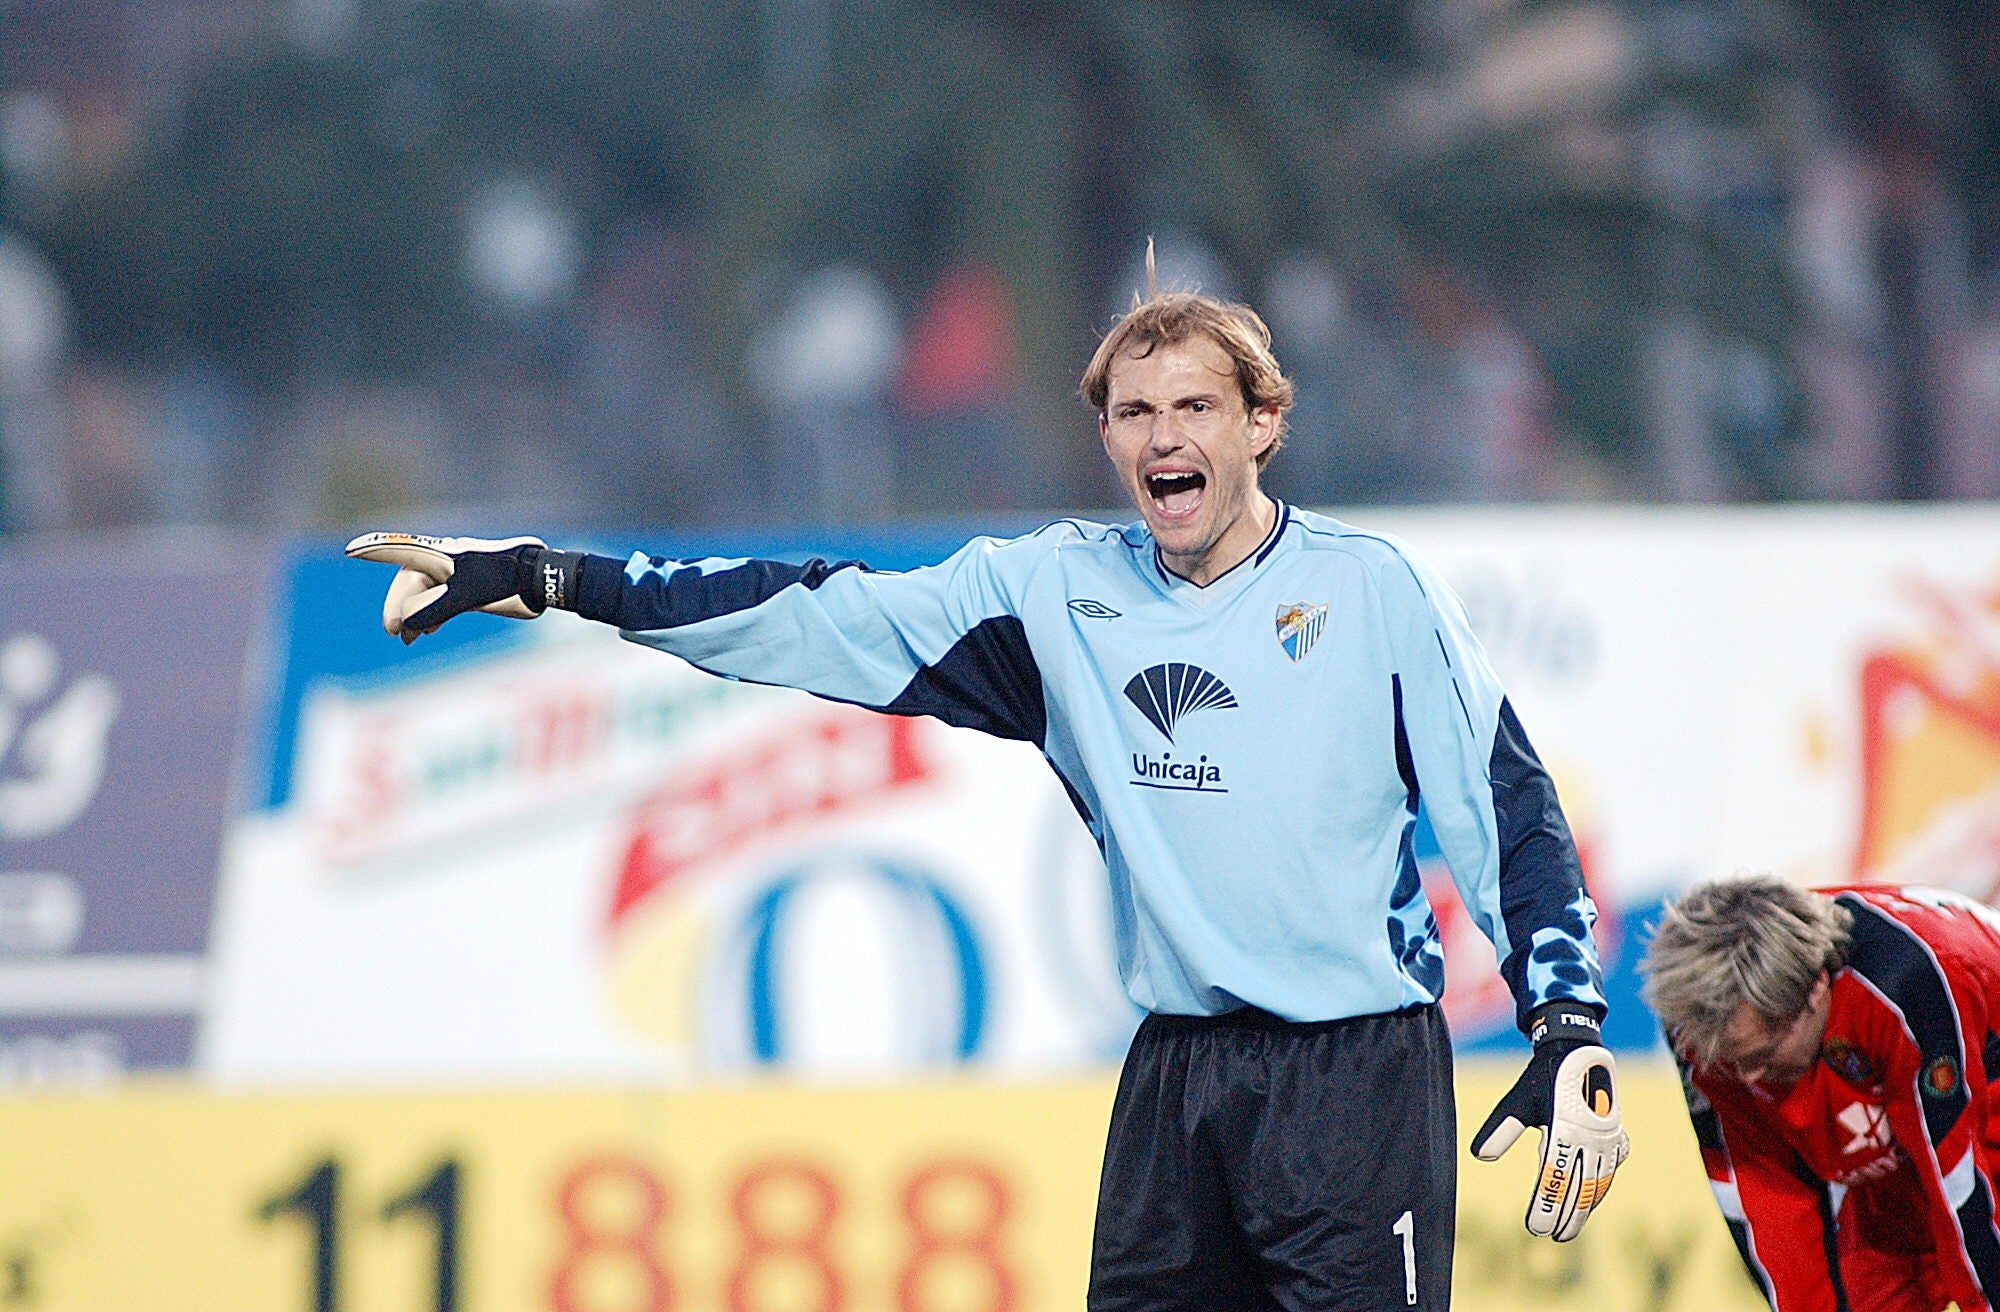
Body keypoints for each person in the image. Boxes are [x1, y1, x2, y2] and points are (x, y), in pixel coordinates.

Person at [347, 287, 1628, 1310]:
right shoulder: (1048, 595)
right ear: (1109, 436)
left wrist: (1564, 1024)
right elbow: (811, 611)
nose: (1162, 436)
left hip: (1352, 1077)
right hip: (1174, 1079)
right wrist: (554, 576)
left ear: (1261, 424)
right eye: (1132, 412)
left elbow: (1503, 806)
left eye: (1194, 405)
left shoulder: (1372, 593)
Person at [1643, 874, 2000, 1312]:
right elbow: (1766, 1209)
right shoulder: (1703, 1024)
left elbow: (1962, 1190)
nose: (1749, 1079)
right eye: (1730, 1064)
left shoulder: (1905, 980)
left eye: (1763, 1055)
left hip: (1984, 1115)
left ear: (1814, 989)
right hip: (1896, 1161)